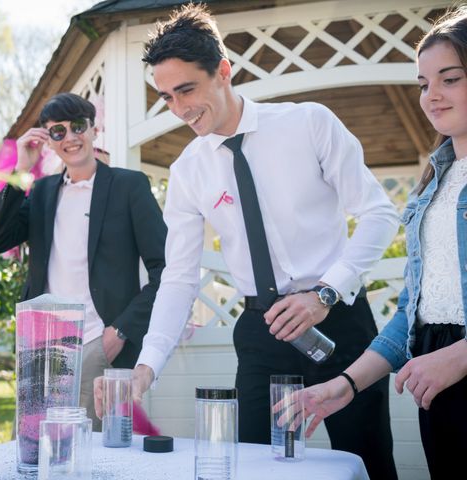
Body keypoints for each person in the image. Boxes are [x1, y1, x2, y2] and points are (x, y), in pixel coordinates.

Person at [95, 4, 400, 478]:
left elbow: (379, 213)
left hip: (340, 322)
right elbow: (178, 278)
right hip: (261, 334)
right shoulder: (187, 172)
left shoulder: (309, 123)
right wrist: (147, 367)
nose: (179, 109)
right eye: (167, 97)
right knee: (256, 468)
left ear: (223, 70)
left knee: (368, 462)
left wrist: (325, 293)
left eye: (187, 90)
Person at [292, 7, 467, 479]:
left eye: (449, 78)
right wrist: (345, 385)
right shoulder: (434, 183)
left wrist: (461, 355)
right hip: (438, 384)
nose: (432, 96)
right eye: (424, 83)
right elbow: (415, 309)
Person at [0, 92, 167, 431]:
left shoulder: (129, 186)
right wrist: (21, 170)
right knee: (34, 446)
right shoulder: (41, 192)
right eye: (58, 131)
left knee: (94, 452)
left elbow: (164, 269)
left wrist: (122, 331)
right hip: (41, 343)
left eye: (78, 126)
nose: (70, 137)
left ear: (93, 130)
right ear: (49, 141)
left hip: (100, 340)